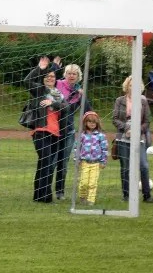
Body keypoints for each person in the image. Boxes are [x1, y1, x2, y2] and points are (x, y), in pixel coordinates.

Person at [23, 61, 68, 203]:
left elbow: (66, 108)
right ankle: (46, 197)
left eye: (52, 76)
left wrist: (52, 103)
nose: (50, 78)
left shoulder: (59, 94)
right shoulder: (40, 90)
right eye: (47, 76)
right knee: (47, 162)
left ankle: (38, 195)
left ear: (56, 79)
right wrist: (39, 68)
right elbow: (27, 81)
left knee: (44, 163)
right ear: (43, 78)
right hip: (41, 131)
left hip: (56, 133)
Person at [112, 76, 153, 203]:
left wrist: (137, 131)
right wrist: (127, 128)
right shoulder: (119, 100)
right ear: (127, 87)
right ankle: (126, 195)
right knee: (125, 168)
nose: (133, 87)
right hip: (123, 136)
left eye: (136, 85)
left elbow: (147, 121)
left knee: (144, 166)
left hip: (139, 137)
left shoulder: (143, 101)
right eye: (131, 85)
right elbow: (115, 119)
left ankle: (147, 196)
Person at [54, 61, 91, 201]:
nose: (71, 76)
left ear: (78, 76)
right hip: (53, 129)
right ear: (65, 74)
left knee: (63, 163)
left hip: (68, 131)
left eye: (74, 74)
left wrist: (83, 96)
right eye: (69, 73)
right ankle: (44, 191)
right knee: (51, 162)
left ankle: (60, 192)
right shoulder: (57, 84)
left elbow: (88, 110)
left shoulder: (79, 92)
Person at [77, 111, 107, 205]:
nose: (92, 124)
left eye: (94, 122)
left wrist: (103, 161)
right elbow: (77, 148)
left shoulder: (100, 136)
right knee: (84, 183)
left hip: (96, 163)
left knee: (92, 183)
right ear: (85, 122)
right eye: (89, 121)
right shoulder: (82, 135)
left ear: (97, 123)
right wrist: (77, 159)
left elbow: (104, 149)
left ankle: (91, 200)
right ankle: (82, 196)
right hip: (85, 163)